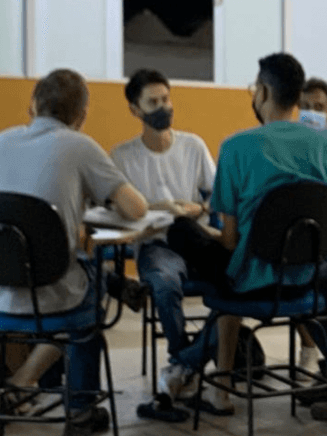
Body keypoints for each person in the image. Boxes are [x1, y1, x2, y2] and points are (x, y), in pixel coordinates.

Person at [168, 53, 327, 421]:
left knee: (183, 232)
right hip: (305, 280)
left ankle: (199, 373)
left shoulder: (235, 146)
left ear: (263, 92)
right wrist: (312, 235)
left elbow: (230, 241)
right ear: (298, 97)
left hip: (250, 283)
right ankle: (199, 373)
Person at [0, 69, 149, 436]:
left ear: (33, 105)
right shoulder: (81, 146)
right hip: (54, 295)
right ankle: (79, 411)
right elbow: (136, 209)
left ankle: (21, 381)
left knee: (71, 285)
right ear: (82, 115)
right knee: (90, 301)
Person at [109, 69, 219, 418]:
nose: (163, 107)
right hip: (156, 244)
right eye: (153, 102)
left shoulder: (193, 145)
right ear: (135, 110)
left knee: (239, 288)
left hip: (197, 239)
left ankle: (182, 366)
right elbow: (115, 211)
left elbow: (218, 196)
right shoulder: (122, 156)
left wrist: (199, 208)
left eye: (166, 99)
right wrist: (156, 209)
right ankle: (183, 360)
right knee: (164, 284)